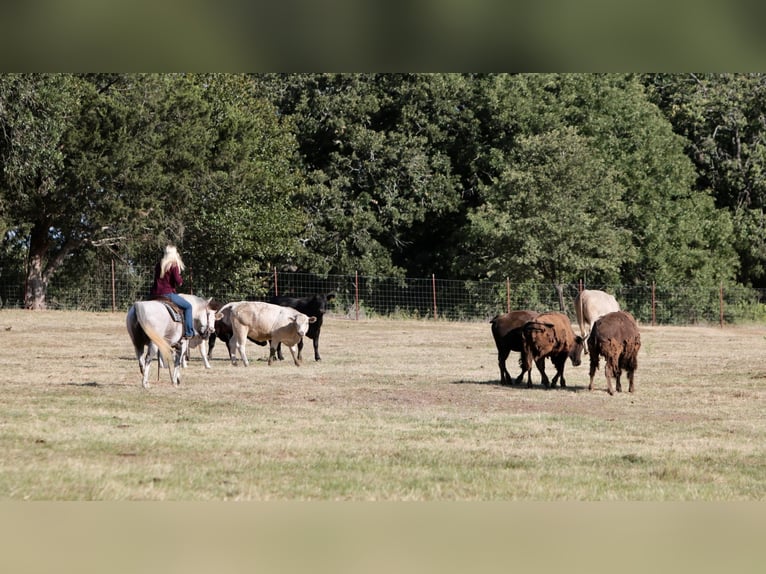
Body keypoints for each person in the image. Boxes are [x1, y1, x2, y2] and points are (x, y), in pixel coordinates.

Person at [149, 245, 196, 338]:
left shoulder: (159, 264)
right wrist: (181, 281)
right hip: (167, 293)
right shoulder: (174, 265)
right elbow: (178, 281)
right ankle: (189, 332)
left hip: (154, 294)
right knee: (188, 307)